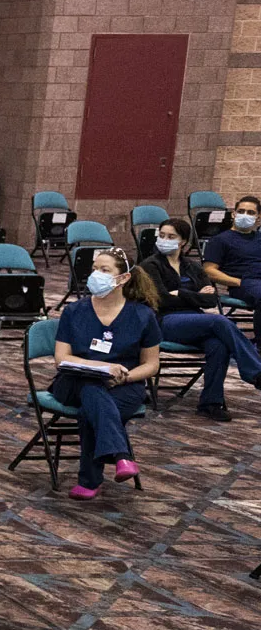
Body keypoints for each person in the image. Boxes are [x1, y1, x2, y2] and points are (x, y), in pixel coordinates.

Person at [52, 247, 161, 499]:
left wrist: (124, 376)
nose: (95, 275)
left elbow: (151, 364)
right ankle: (121, 456)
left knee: (93, 404)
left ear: (122, 278)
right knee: (91, 388)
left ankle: (90, 482)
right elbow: (62, 358)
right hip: (73, 381)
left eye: (104, 270)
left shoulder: (143, 315)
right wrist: (100, 369)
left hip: (125, 385)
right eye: (94, 269)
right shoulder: (74, 311)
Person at [142, 216, 261, 421]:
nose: (164, 239)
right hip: (164, 321)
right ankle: (255, 372)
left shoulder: (192, 266)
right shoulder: (150, 265)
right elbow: (160, 299)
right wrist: (192, 295)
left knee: (218, 344)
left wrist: (179, 294)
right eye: (161, 235)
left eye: (171, 236)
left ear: (183, 242)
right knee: (221, 322)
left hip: (196, 320)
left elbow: (211, 299)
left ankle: (210, 403)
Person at [202, 194, 261, 309]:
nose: (245, 215)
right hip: (245, 284)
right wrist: (238, 282)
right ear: (234, 214)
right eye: (241, 211)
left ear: (258, 217)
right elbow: (208, 271)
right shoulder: (220, 240)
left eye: (250, 213)